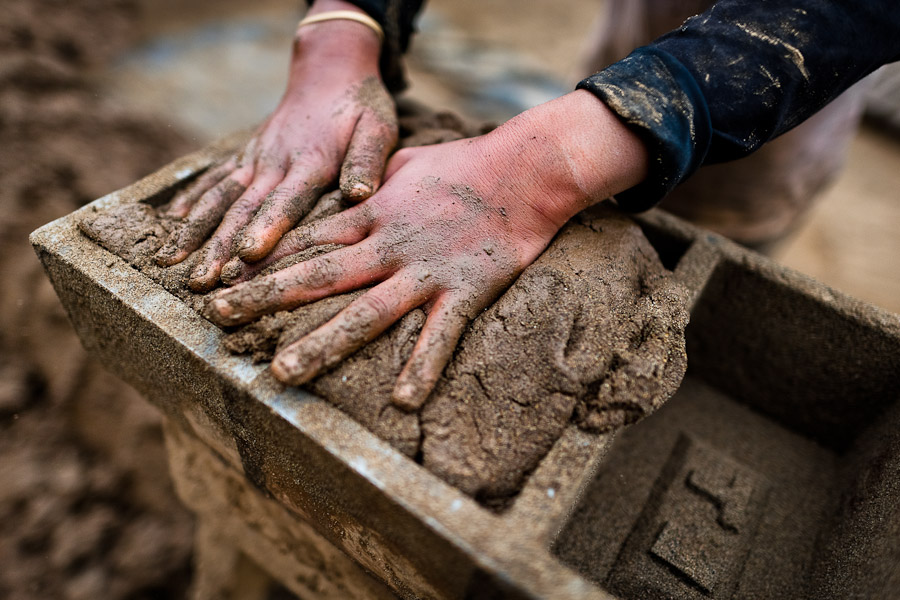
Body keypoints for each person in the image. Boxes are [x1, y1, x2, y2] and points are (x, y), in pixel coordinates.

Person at [154, 0, 900, 410]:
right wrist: (342, 29)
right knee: (632, 56)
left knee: (715, 225)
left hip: (785, 52)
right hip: (658, 22)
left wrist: (548, 165)